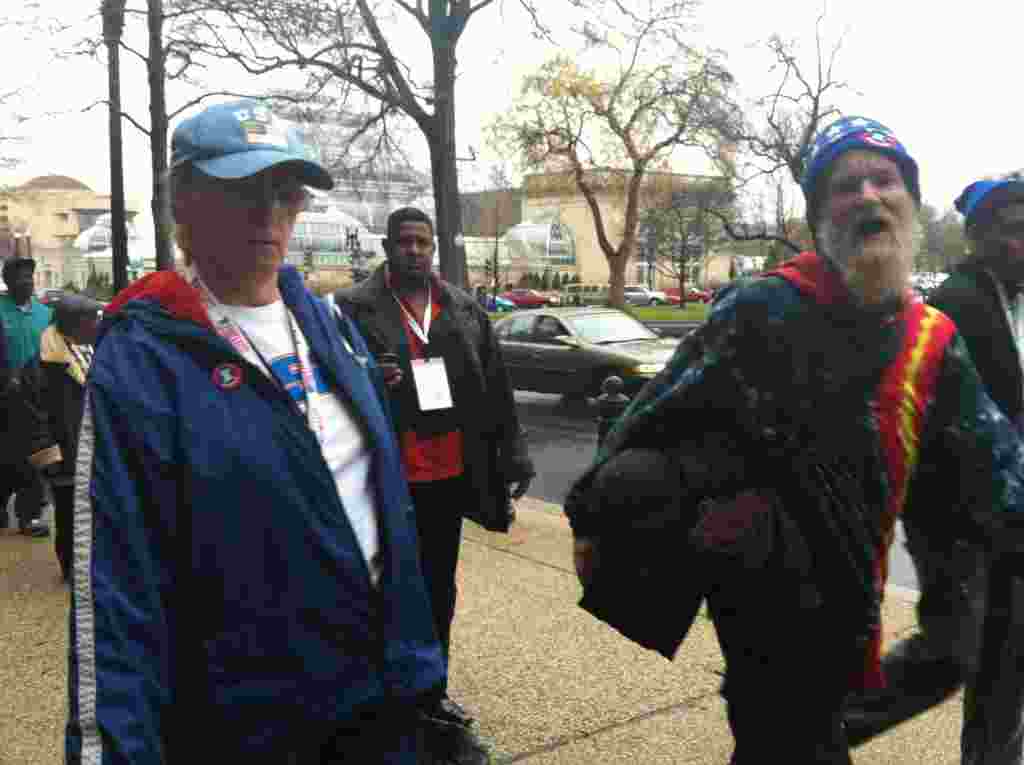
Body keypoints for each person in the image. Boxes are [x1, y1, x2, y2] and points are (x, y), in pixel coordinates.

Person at [563, 116, 1024, 764]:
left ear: (909, 204)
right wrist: (595, 516)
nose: (868, 196)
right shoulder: (762, 308)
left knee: (906, 677)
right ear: (819, 218)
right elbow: (656, 410)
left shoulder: (935, 342)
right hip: (763, 586)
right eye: (846, 185)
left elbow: (1001, 464)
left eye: (884, 180)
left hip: (850, 594)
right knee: (786, 732)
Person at [65, 100, 445, 765]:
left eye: (283, 190)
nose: (268, 211)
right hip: (244, 729)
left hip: (377, 712)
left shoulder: (330, 327)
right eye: (242, 188)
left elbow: (383, 514)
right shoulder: (144, 356)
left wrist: (417, 671)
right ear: (184, 200)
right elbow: (115, 594)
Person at [335, 207, 535, 762]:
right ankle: (382, 691)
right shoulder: (353, 307)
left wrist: (513, 457)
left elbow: (495, 386)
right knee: (385, 586)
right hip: (386, 474)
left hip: (449, 474)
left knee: (437, 586)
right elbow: (330, 381)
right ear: (387, 246)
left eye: (423, 242)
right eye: (405, 242)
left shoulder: (464, 307)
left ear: (434, 248)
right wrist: (371, 376)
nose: (415, 251)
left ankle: (431, 691)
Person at [38, 293, 102, 582]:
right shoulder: (44, 367)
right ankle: (72, 568)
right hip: (66, 454)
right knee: (68, 515)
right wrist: (51, 460)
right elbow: (34, 419)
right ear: (73, 325)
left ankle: (93, 565)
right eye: (92, 320)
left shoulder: (94, 353)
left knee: (93, 513)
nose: (97, 325)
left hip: (93, 450)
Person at [0, 253, 53, 536]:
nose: (25, 282)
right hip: (3, 397)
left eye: (28, 277)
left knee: (35, 455)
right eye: (18, 277)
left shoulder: (45, 314)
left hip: (36, 398)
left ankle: (30, 515)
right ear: (7, 281)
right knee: (5, 455)